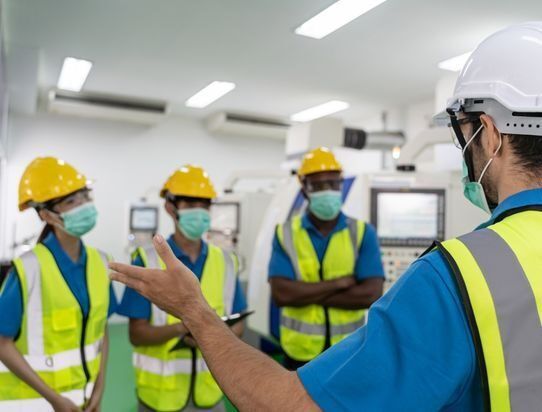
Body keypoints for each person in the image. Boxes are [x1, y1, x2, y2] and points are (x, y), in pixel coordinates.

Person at [110, 22, 542, 411]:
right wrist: (340, 287)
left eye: (461, 133)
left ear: (488, 132)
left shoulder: (458, 276)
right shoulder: (290, 233)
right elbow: (286, 293)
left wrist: (192, 309)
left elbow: (292, 406)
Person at [117, 165, 247, 412]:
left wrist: (210, 331)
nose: (199, 211)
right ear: (170, 207)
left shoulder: (226, 261)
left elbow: (239, 324)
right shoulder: (146, 261)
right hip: (160, 398)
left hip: (212, 391)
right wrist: (183, 328)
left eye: (204, 203)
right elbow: (137, 334)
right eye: (190, 203)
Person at [0, 156, 117, 412]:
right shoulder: (27, 268)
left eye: (85, 197)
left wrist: (99, 386)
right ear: (47, 215)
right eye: (71, 201)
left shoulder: (101, 262)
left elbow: (101, 330)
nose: (83, 206)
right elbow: (1, 342)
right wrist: (54, 399)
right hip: (35, 404)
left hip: (83, 401)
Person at [268, 147, 384, 370]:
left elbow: (371, 294)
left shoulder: (362, 232)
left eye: (333, 183)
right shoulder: (285, 233)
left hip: (349, 349)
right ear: (304, 188)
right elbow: (282, 294)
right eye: (318, 186)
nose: (327, 191)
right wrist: (339, 284)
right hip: (299, 352)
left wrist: (304, 293)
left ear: (340, 184)